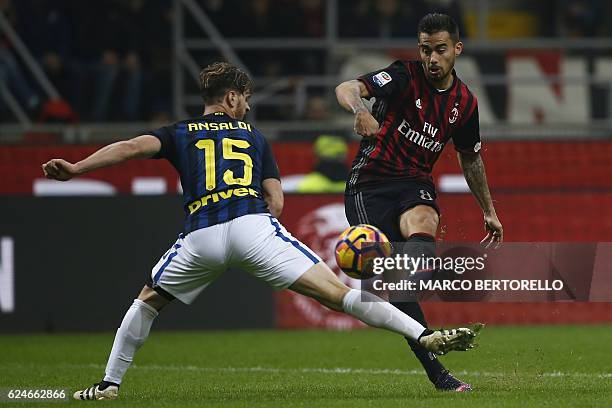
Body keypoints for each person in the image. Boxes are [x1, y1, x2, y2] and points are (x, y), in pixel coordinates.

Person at [42, 62, 480, 401]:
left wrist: (77, 166)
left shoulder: (180, 132)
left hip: (201, 236)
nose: (247, 106)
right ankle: (423, 334)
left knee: (147, 303)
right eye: (245, 98)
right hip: (253, 228)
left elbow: (131, 148)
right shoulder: (252, 136)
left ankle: (107, 385)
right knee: (341, 295)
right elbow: (276, 200)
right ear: (231, 98)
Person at [335, 13, 503, 392]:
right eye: (425, 49)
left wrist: (488, 210)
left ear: (457, 49)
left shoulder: (464, 103)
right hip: (370, 185)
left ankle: (405, 283)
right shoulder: (403, 76)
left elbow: (470, 157)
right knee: (397, 279)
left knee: (423, 224)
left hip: (414, 183)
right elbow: (346, 87)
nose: (431, 58)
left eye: (440, 50)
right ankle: (436, 369)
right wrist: (360, 110)